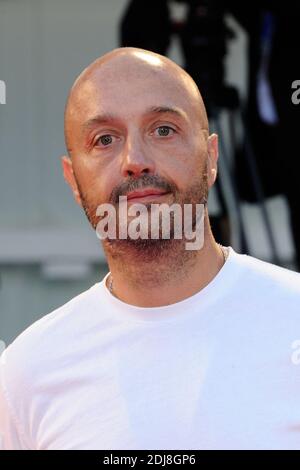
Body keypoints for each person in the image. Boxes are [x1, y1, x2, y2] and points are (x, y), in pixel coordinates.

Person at [0, 47, 299, 450]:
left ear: (211, 157)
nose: (135, 161)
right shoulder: (26, 373)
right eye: (104, 139)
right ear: (73, 180)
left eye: (163, 130)